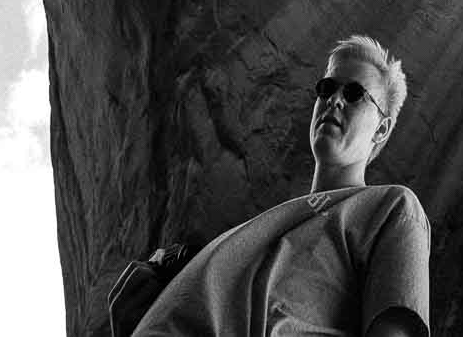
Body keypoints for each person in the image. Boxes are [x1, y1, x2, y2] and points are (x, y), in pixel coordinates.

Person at [125, 34, 430, 337]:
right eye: (326, 88)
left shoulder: (392, 207)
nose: (334, 100)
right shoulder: (250, 236)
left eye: (354, 94)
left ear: (381, 128)